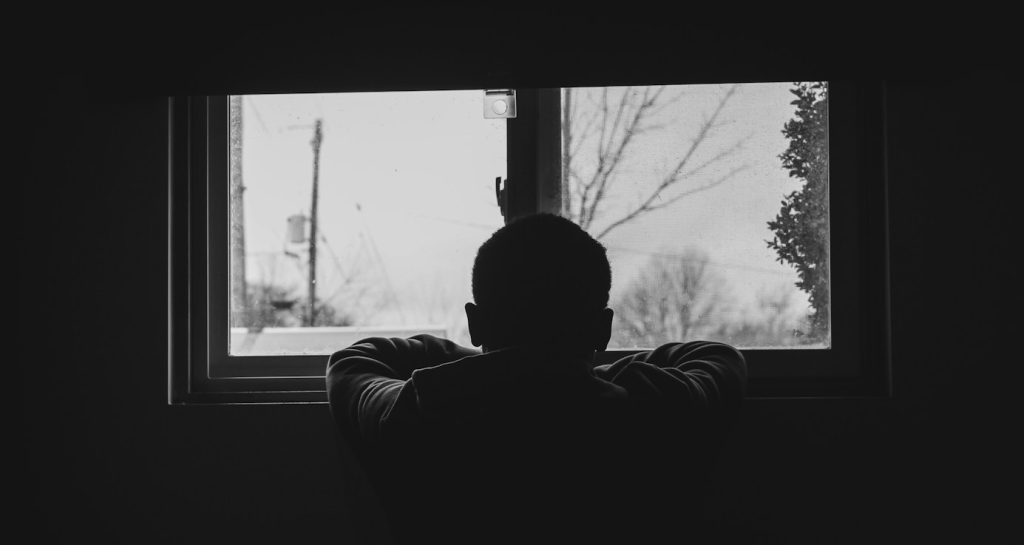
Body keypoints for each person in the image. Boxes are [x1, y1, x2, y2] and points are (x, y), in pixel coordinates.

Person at [326, 213, 747, 544]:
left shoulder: (416, 409)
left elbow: (355, 361)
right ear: (602, 330)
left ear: (475, 323)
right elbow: (716, 358)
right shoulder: (655, 408)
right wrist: (580, 371)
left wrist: (487, 363)